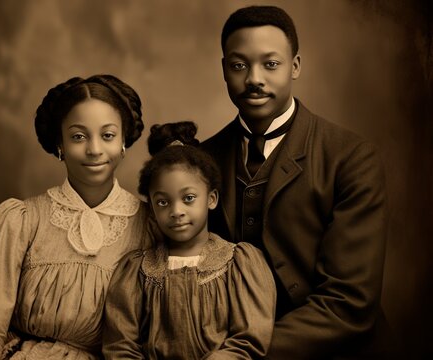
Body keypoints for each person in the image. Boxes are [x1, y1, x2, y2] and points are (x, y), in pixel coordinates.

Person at [200, 5, 390, 360]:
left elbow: (349, 304)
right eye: (239, 65)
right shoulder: (202, 160)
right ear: (224, 69)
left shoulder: (351, 157)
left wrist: (242, 352)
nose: (254, 78)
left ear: (295, 66)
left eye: (270, 64)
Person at [0, 74, 151, 360]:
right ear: (60, 144)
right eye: (78, 136)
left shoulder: (149, 226)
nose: (94, 150)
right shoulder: (23, 220)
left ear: (123, 141)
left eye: (107, 135)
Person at [102, 121, 276, 359]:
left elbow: (248, 339)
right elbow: (120, 345)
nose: (176, 211)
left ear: (211, 199)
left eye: (189, 198)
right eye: (163, 202)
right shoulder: (138, 271)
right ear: (151, 209)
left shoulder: (238, 263)